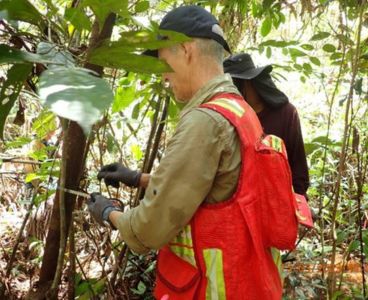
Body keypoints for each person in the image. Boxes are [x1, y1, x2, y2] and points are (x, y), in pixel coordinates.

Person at [87, 5, 298, 299]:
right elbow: (216, 189)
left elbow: (147, 230)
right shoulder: (240, 111)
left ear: (185, 50)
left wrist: (109, 213)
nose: (163, 76)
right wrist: (135, 178)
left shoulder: (205, 120)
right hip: (251, 284)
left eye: (163, 62)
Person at [223, 53, 309, 197]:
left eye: (237, 85)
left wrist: (299, 200)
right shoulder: (229, 117)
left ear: (250, 83)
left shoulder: (286, 113)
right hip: (243, 202)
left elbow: (298, 165)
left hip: (279, 198)